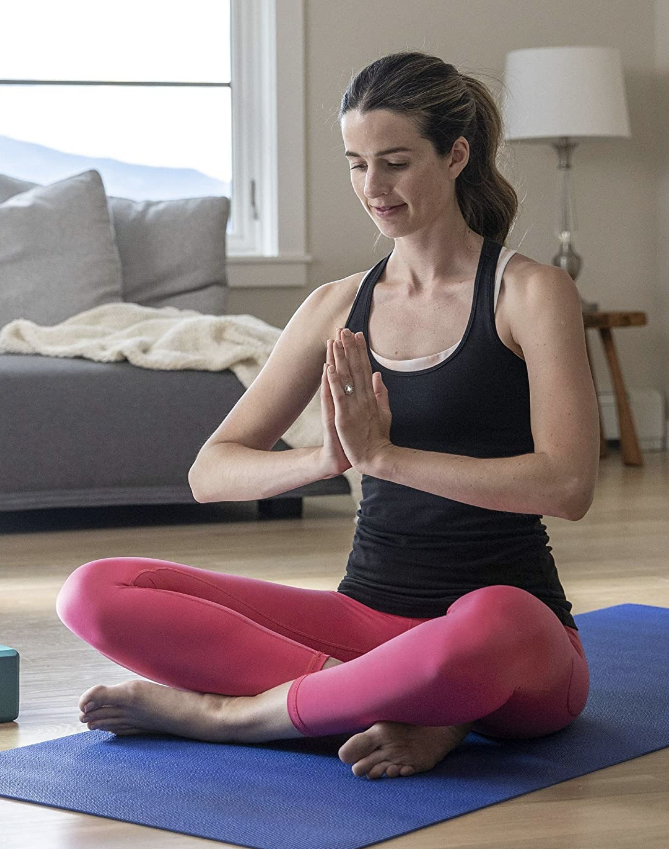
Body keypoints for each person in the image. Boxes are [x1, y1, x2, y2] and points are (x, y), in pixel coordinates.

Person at [55, 51, 600, 780]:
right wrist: (329, 458)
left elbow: (567, 486)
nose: (373, 187)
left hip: (511, 646)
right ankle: (407, 708)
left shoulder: (529, 293)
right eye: (356, 164)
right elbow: (211, 472)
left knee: (495, 619)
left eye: (396, 162)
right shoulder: (336, 307)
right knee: (94, 591)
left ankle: (237, 717)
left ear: (457, 154)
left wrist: (387, 458)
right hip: (364, 628)